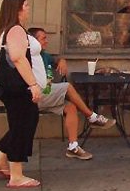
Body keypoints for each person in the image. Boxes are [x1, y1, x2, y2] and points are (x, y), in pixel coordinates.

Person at [26, 27, 115, 160]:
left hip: (47, 94)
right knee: (67, 86)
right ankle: (92, 117)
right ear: (33, 41)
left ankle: (73, 147)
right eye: (43, 38)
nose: (47, 41)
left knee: (71, 107)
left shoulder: (44, 55)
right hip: (36, 95)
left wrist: (62, 61)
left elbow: (56, 60)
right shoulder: (30, 56)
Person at [0, 0, 42, 188]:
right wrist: (33, 85)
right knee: (22, 126)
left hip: (10, 88)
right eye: (26, 5)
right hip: (17, 88)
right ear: (17, 9)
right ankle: (16, 175)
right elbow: (19, 58)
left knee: (24, 122)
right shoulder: (16, 30)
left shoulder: (7, 30)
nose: (28, 8)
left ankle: (1, 159)